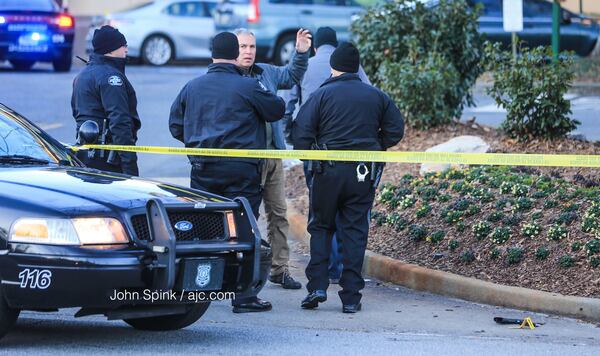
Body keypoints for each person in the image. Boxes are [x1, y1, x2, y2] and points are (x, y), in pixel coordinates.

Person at [169, 32, 285, 313]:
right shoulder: (247, 86)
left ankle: (196, 290)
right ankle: (244, 297)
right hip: (241, 169)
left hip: (203, 169)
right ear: (235, 54)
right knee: (244, 231)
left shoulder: (192, 87)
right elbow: (277, 109)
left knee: (202, 231)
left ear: (212, 53)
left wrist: (197, 141)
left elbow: (175, 125)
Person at [293, 42, 404, 313]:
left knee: (321, 227)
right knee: (354, 232)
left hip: (327, 172)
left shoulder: (321, 96)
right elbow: (395, 130)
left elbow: (300, 134)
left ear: (333, 67)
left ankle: (317, 287)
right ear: (355, 67)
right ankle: (351, 297)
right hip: (362, 174)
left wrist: (312, 157)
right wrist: (375, 145)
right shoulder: (376, 96)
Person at [286, 27, 371, 284]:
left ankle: (328, 270)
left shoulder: (306, 66)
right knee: (350, 214)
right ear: (335, 46)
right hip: (354, 154)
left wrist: (290, 141)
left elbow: (289, 104)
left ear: (315, 47)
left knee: (322, 213)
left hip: (315, 151)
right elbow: (369, 98)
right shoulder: (355, 68)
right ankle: (345, 268)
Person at [234, 28, 311, 290]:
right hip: (246, 161)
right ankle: (244, 273)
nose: (248, 52)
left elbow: (291, 76)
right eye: (243, 47)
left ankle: (279, 269)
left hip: (273, 157)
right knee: (246, 216)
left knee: (278, 214)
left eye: (252, 47)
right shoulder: (228, 78)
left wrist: (300, 52)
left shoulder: (265, 72)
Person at [71, 25, 140, 176]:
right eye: (123, 46)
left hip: (85, 156)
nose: (126, 50)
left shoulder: (82, 76)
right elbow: (120, 122)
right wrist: (130, 166)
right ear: (110, 50)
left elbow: (76, 113)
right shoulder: (111, 78)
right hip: (108, 160)